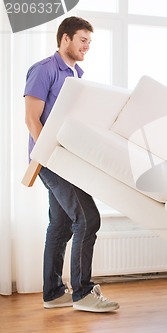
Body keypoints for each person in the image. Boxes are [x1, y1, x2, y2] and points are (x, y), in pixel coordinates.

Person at [24, 16, 119, 313]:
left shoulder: (77, 73)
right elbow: (31, 118)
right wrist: (49, 155)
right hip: (52, 160)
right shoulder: (44, 70)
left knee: (62, 224)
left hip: (69, 158)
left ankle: (52, 293)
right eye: (82, 40)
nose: (87, 46)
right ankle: (83, 293)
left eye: (89, 42)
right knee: (88, 219)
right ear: (65, 39)